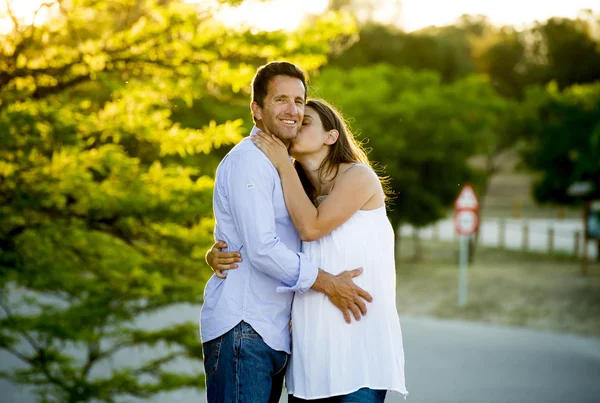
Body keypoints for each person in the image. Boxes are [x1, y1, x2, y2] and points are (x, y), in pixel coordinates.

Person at [208, 99, 408, 401]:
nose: (295, 125)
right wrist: (215, 253)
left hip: (358, 356)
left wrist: (281, 164)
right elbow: (266, 244)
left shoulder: (358, 177)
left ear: (331, 136)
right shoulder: (297, 194)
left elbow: (312, 228)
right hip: (309, 363)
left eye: (306, 121)